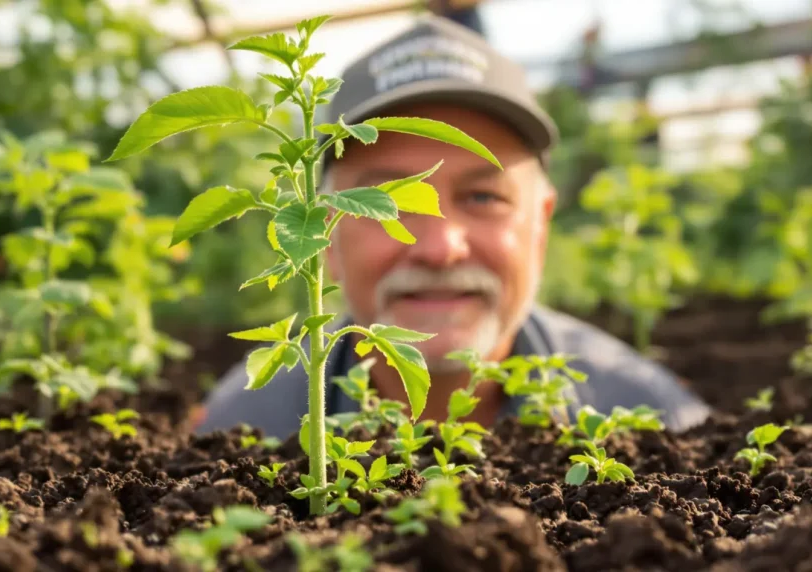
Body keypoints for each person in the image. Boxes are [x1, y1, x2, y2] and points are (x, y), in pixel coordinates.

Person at [192, 14, 711, 439]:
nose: (440, 248)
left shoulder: (657, 425)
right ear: (322, 231)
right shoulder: (242, 436)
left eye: (484, 197)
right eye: (385, 202)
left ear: (540, 225)